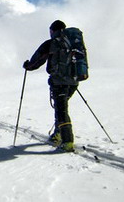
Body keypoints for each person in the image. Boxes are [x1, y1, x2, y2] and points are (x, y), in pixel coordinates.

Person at [23, 20, 78, 152]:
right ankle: (58, 134)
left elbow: (37, 60)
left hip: (59, 82)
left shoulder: (51, 43)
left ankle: (67, 141)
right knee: (62, 108)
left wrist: (27, 66)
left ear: (53, 30)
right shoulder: (73, 42)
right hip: (74, 81)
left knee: (61, 110)